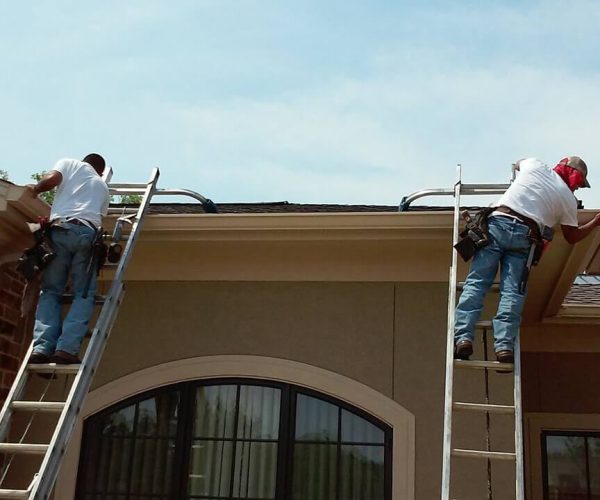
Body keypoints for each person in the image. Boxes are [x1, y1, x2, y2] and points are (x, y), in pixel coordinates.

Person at [454, 156, 600, 364]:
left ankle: (463, 339)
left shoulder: (535, 164)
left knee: (477, 283)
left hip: (497, 224)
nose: (577, 189)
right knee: (512, 291)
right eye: (578, 185)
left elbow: (517, 162)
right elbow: (572, 237)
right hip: (526, 236)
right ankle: (504, 346)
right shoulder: (568, 199)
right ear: (574, 179)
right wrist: (595, 223)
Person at [27, 154, 110, 364]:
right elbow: (100, 218)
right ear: (100, 171)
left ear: (84, 161)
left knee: (51, 290)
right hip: (87, 235)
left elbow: (53, 179)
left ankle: (42, 347)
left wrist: (35, 189)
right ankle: (66, 349)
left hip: (60, 230)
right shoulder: (102, 186)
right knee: (82, 294)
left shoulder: (69, 164)